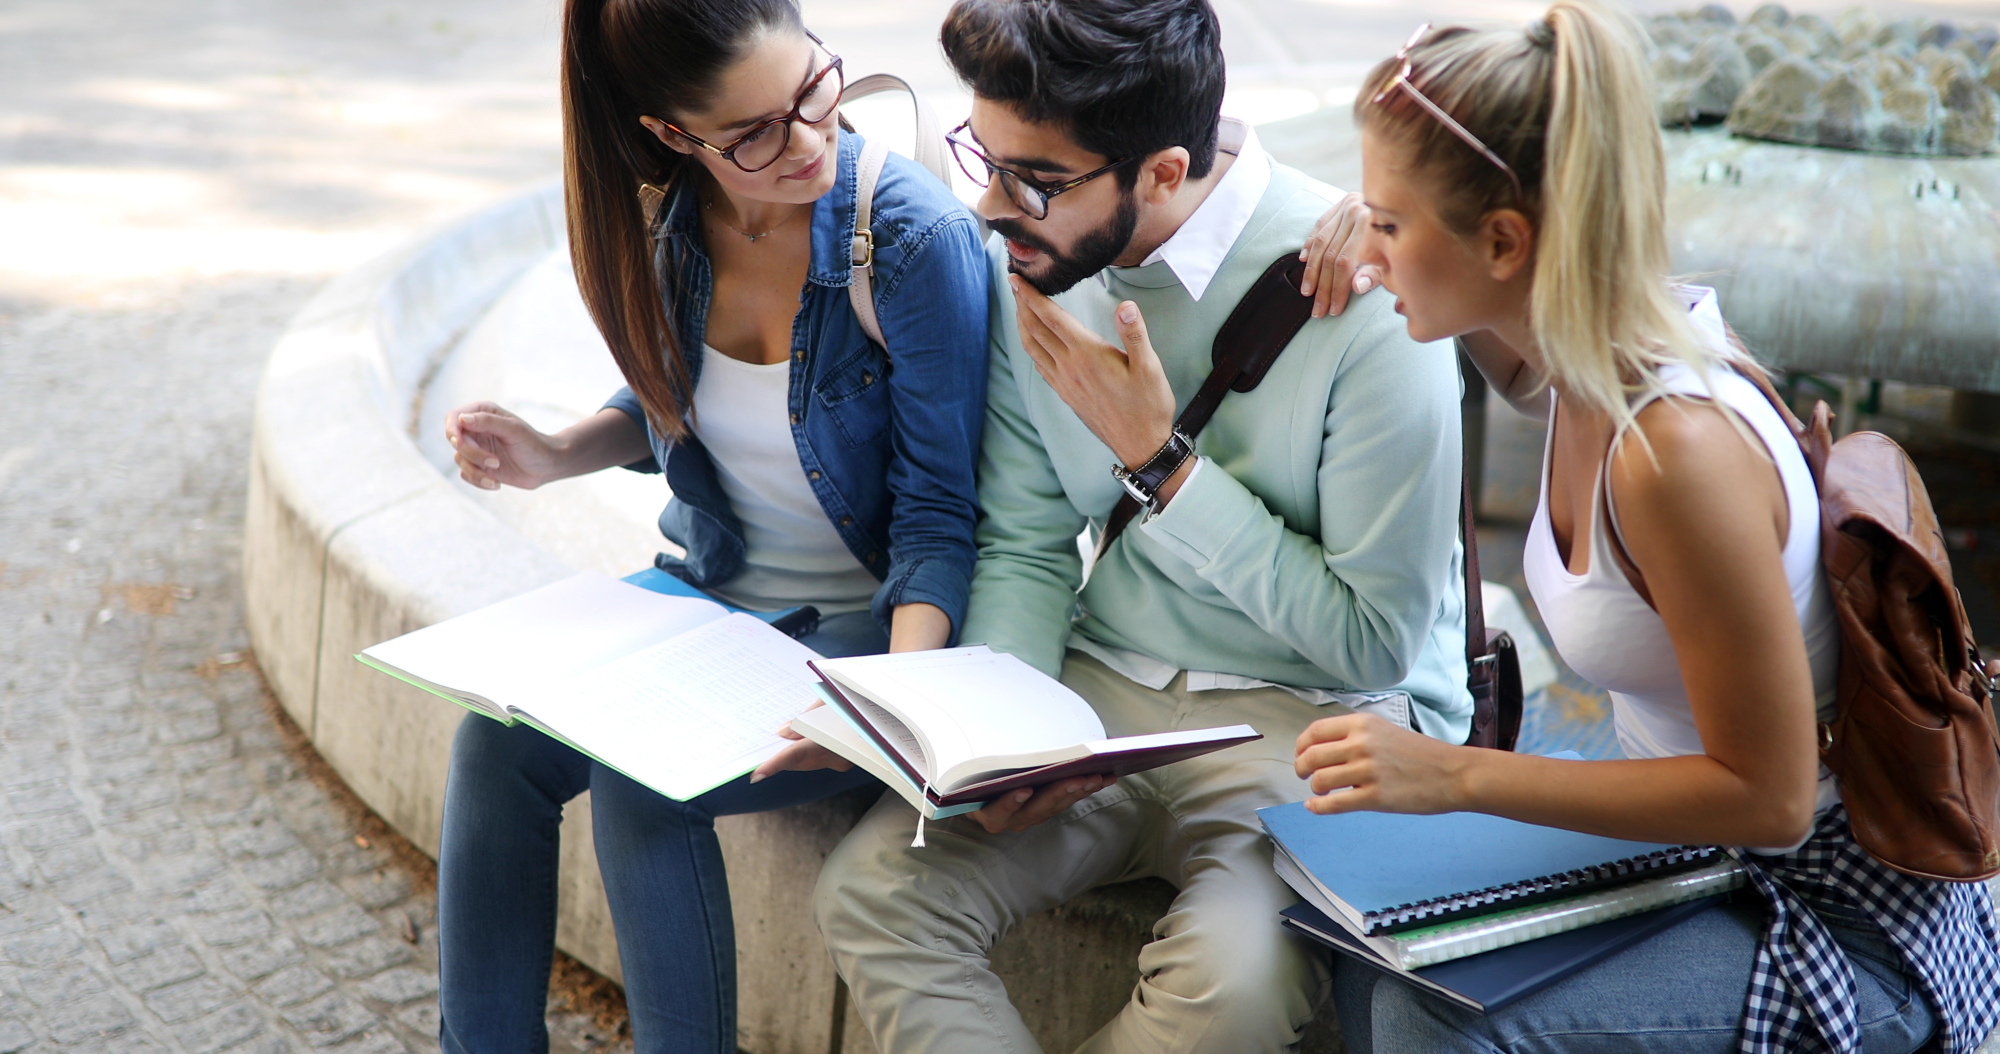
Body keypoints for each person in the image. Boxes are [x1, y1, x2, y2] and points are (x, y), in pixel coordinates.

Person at [1297, 4, 2000, 1053]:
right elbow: (1513, 361)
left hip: (1834, 909)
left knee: (1422, 1025)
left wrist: (1450, 776)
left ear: (1503, 240)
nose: (1371, 245)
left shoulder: (1672, 456)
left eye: (1388, 223)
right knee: (1350, 962)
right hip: (1692, 856)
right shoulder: (1591, 351)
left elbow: (1765, 798)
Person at [809, 1, 1467, 1051]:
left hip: (1316, 724)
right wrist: (1011, 734)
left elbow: (1373, 640)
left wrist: (1163, 468)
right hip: (1102, 693)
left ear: (1161, 172)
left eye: (1032, 179)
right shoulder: (1038, 265)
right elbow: (1024, 538)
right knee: (874, 893)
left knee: (1235, 982)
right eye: (985, 156)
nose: (988, 206)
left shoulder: (1374, 304)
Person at [430, 0, 990, 1050]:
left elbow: (937, 518)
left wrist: (893, 711)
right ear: (670, 136)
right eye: (756, 135)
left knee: (647, 775)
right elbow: (675, 405)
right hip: (707, 594)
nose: (809, 139)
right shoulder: (667, 215)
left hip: (862, 637)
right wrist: (555, 453)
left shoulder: (912, 240)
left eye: (814, 90)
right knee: (492, 744)